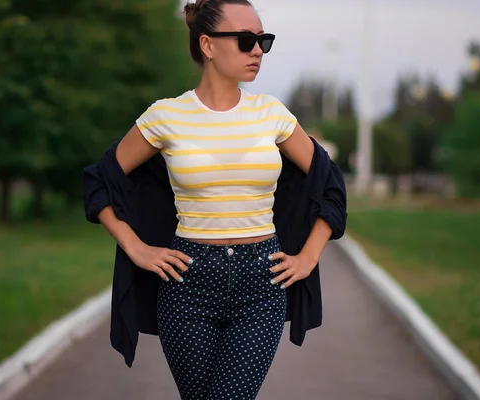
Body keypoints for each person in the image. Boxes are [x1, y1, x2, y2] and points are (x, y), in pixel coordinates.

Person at [82, 0, 347, 398]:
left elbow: (329, 182)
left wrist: (309, 255)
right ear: (207, 45)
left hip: (261, 285)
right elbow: (100, 180)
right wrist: (136, 247)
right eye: (245, 40)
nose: (257, 50)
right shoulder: (165, 117)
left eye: (263, 41)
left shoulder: (272, 114)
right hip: (187, 286)